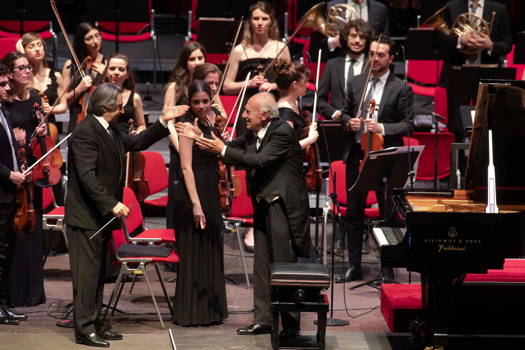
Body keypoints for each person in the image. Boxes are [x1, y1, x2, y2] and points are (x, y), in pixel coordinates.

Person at [178, 92, 311, 337]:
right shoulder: (252, 132)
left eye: (248, 111)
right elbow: (228, 148)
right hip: (263, 203)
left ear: (264, 114)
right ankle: (264, 320)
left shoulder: (282, 132)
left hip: (282, 206)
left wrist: (221, 148)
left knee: (282, 264)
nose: (244, 115)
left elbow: (260, 159)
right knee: (261, 265)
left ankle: (291, 326)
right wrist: (202, 136)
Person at [65, 83, 187, 347]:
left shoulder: (110, 130)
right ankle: (84, 330)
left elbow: (137, 141)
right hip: (85, 217)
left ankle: (96, 323)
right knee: (86, 277)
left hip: (100, 217)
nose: (123, 109)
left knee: (97, 275)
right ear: (106, 107)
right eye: (119, 105)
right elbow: (87, 176)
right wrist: (111, 203)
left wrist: (163, 121)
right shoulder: (85, 132)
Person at [338, 35, 413, 282]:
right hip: (358, 155)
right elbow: (345, 113)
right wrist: (349, 122)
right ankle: (354, 265)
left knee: (386, 213)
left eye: (380, 55)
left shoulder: (401, 87)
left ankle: (387, 267)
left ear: (391, 58)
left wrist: (380, 127)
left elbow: (408, 124)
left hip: (386, 156)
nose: (374, 59)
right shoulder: (357, 82)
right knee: (354, 211)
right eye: (371, 54)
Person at [170, 80, 228, 326]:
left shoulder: (210, 119)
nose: (202, 106)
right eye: (196, 102)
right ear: (189, 102)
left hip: (210, 189)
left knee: (210, 248)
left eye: (205, 101)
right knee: (194, 251)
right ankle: (191, 312)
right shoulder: (185, 126)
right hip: (193, 191)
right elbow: (185, 167)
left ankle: (211, 310)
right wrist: (196, 204)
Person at [2, 51, 47, 307]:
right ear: (10, 73)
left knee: (33, 235)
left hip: (33, 173)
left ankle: (33, 292)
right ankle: (14, 293)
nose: (28, 71)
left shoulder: (36, 99)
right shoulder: (5, 103)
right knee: (14, 235)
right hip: (14, 174)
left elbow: (40, 138)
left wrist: (40, 129)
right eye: (21, 67)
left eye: (29, 67)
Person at [433, 0, 512, 142]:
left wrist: (490, 45)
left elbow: (507, 44)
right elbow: (438, 40)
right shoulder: (452, 6)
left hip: (488, 72)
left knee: (487, 120)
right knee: (456, 122)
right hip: (458, 71)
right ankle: (458, 161)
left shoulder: (499, 9)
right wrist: (459, 40)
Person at [223, 1, 290, 137]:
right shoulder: (239, 51)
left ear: (271, 22)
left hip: (274, 107)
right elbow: (226, 86)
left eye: (264, 19)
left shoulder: (282, 48)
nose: (260, 23)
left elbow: (290, 83)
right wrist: (249, 83)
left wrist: (273, 85)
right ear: (250, 22)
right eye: (256, 18)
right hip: (248, 110)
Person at [0, 61, 31, 325]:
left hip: (9, 194)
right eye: (2, 84)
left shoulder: (3, 112)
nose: (7, 87)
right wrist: (8, 174)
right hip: (1, 191)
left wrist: (21, 148)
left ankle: (3, 305)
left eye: (7, 83)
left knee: (6, 251)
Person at [165, 42, 206, 230]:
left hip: (201, 147)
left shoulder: (207, 85)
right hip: (179, 147)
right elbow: (168, 123)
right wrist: (180, 148)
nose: (197, 62)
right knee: (180, 198)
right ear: (185, 62)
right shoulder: (175, 87)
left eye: (200, 58)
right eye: (192, 59)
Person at [318, 19, 372, 121]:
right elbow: (319, 99)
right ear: (346, 37)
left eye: (362, 37)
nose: (357, 40)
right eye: (353, 35)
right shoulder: (332, 65)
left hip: (364, 124)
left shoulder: (372, 65)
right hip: (338, 125)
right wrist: (333, 113)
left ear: (367, 41)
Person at [309, 0, 389, 61]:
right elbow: (318, 42)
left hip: (369, 63)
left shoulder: (380, 9)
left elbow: (385, 39)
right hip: (340, 61)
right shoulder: (332, 6)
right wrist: (333, 42)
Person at [62, 22, 106, 132]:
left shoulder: (108, 64)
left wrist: (106, 76)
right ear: (82, 42)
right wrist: (79, 88)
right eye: (89, 38)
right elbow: (64, 101)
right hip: (78, 121)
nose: (95, 41)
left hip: (101, 121)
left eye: (97, 35)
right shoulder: (70, 65)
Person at [273, 59, 319, 149]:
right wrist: (310, 139)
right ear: (295, 84)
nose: (307, 85)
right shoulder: (284, 113)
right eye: (305, 82)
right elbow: (285, 149)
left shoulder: (295, 103)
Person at [103, 53, 146, 134]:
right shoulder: (98, 94)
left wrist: (137, 133)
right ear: (106, 72)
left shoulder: (134, 97)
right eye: (112, 68)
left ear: (127, 75)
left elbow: (142, 125)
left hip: (126, 142)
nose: (116, 72)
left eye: (121, 69)